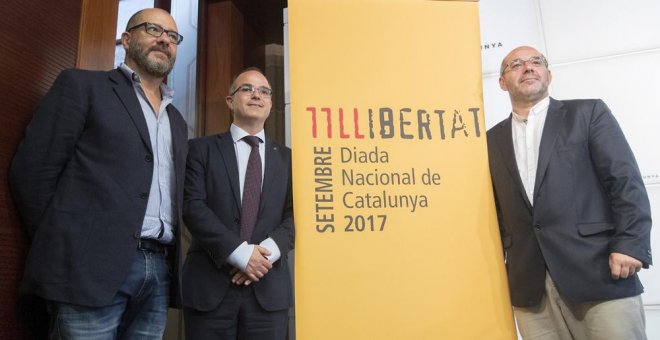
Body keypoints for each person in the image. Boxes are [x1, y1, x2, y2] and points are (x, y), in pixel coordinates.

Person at [9, 8, 188, 339]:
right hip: (87, 268)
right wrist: (70, 241)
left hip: (158, 271)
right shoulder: (81, 86)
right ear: (127, 38)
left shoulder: (176, 120)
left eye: (173, 36)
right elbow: (33, 173)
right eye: (153, 29)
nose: (164, 39)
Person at [487, 45, 652, 339]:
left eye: (536, 62)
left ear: (548, 74)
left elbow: (625, 180)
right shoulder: (490, 140)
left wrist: (630, 244)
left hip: (600, 271)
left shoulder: (587, 113)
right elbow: (496, 211)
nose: (527, 67)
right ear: (502, 82)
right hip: (530, 286)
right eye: (516, 64)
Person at [182, 68, 294, 339]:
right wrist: (241, 254)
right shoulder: (200, 150)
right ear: (230, 101)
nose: (257, 95)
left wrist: (260, 257)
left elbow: (297, 216)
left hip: (268, 292)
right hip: (210, 286)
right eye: (247, 89)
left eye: (264, 91)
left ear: (270, 104)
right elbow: (193, 207)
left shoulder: (289, 159)